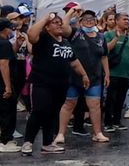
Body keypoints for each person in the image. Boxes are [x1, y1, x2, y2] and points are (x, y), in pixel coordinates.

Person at [22, 11, 88, 155]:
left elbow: (74, 61)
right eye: (55, 23)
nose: (59, 25)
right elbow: (31, 35)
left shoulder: (65, 42)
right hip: (42, 82)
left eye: (60, 23)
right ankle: (28, 141)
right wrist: (46, 17)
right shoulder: (43, 38)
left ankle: (47, 143)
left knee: (52, 113)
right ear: (47, 27)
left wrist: (84, 75)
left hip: (61, 84)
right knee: (39, 110)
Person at [56, 9, 111, 145]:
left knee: (95, 105)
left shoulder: (101, 37)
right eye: (85, 19)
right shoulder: (75, 34)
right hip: (75, 77)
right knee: (69, 104)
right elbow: (63, 27)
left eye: (92, 19)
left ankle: (97, 133)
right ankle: (60, 134)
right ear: (80, 22)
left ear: (96, 21)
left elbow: (104, 56)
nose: (89, 21)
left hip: (95, 77)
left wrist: (107, 74)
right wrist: (72, 12)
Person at [103, 12, 129, 131]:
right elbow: (106, 49)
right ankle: (108, 122)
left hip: (125, 73)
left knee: (120, 99)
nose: (127, 21)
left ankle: (117, 121)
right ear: (117, 21)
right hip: (112, 73)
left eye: (128, 19)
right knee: (110, 99)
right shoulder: (109, 34)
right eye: (124, 19)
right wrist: (116, 38)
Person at [0, 18, 18, 151]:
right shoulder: (4, 43)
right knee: (7, 111)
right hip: (3, 82)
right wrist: (7, 86)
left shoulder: (5, 44)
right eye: (10, 27)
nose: (12, 30)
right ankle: (5, 141)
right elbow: (4, 64)